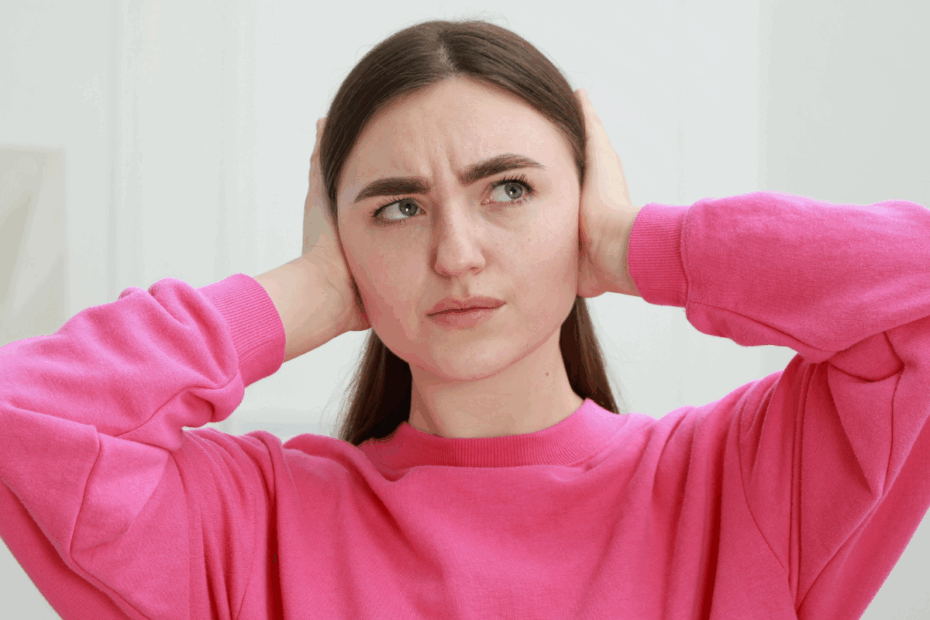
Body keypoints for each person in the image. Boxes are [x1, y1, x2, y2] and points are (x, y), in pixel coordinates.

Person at [2, 17, 930, 620]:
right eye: (397, 208)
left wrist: (630, 246)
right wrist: (317, 291)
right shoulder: (252, 524)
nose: (456, 253)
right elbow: (23, 416)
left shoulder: (744, 489)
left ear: (581, 197)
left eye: (510, 190)